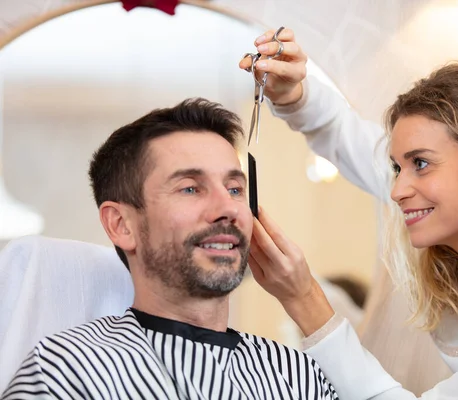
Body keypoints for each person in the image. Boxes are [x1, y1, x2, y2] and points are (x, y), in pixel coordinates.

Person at [240, 29, 458, 399]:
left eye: (421, 163)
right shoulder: (438, 213)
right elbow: (342, 132)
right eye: (397, 168)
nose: (397, 190)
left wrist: (304, 298)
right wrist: (294, 95)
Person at [1, 98, 338, 400]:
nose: (229, 208)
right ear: (121, 225)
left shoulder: (299, 377)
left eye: (235, 189)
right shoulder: (63, 376)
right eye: (191, 188)